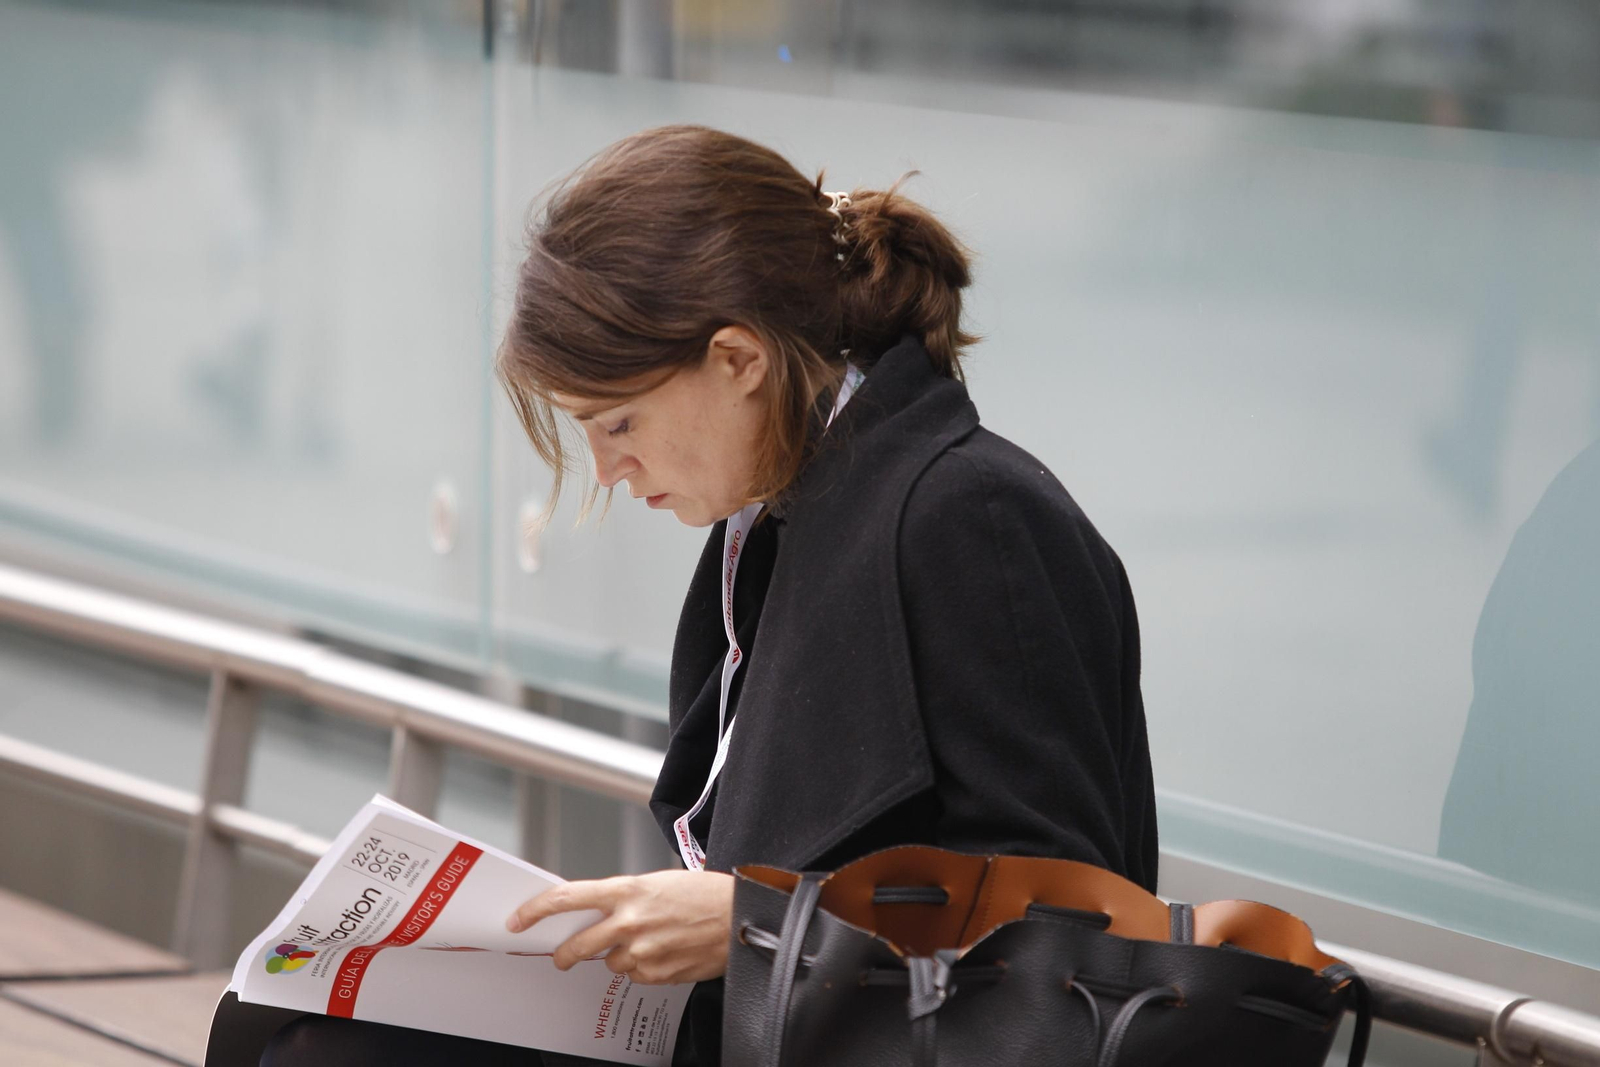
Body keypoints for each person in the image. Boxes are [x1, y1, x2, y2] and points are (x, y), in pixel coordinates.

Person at [261, 123, 1157, 1066]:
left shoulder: (970, 514)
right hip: (759, 1033)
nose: (606, 469)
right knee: (308, 1034)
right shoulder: (782, 515)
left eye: (618, 421)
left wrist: (754, 921)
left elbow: (1073, 925)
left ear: (738, 360)